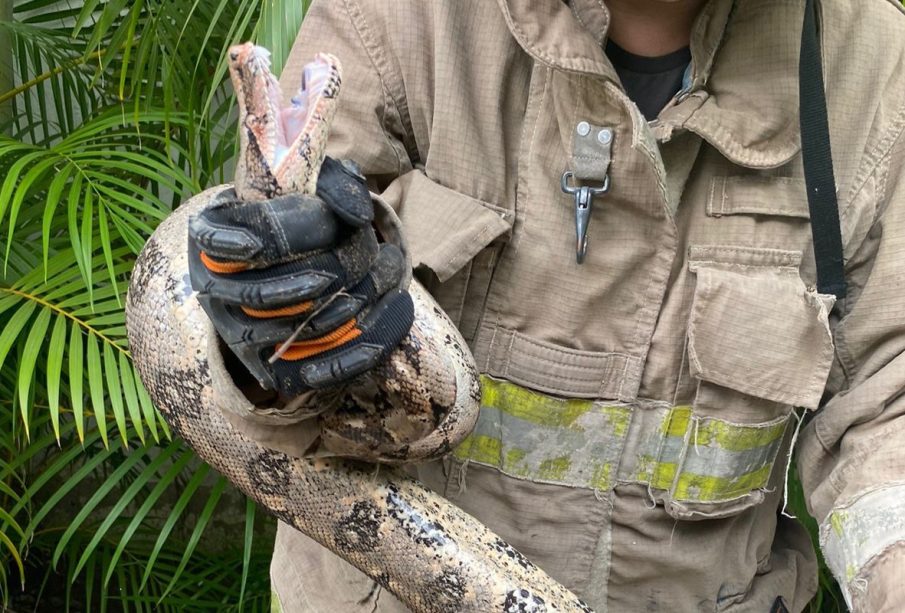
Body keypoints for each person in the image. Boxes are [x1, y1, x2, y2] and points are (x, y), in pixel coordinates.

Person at [190, 0, 905, 610]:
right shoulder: (399, 19)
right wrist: (271, 338)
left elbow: (885, 401)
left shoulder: (872, 72)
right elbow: (247, 346)